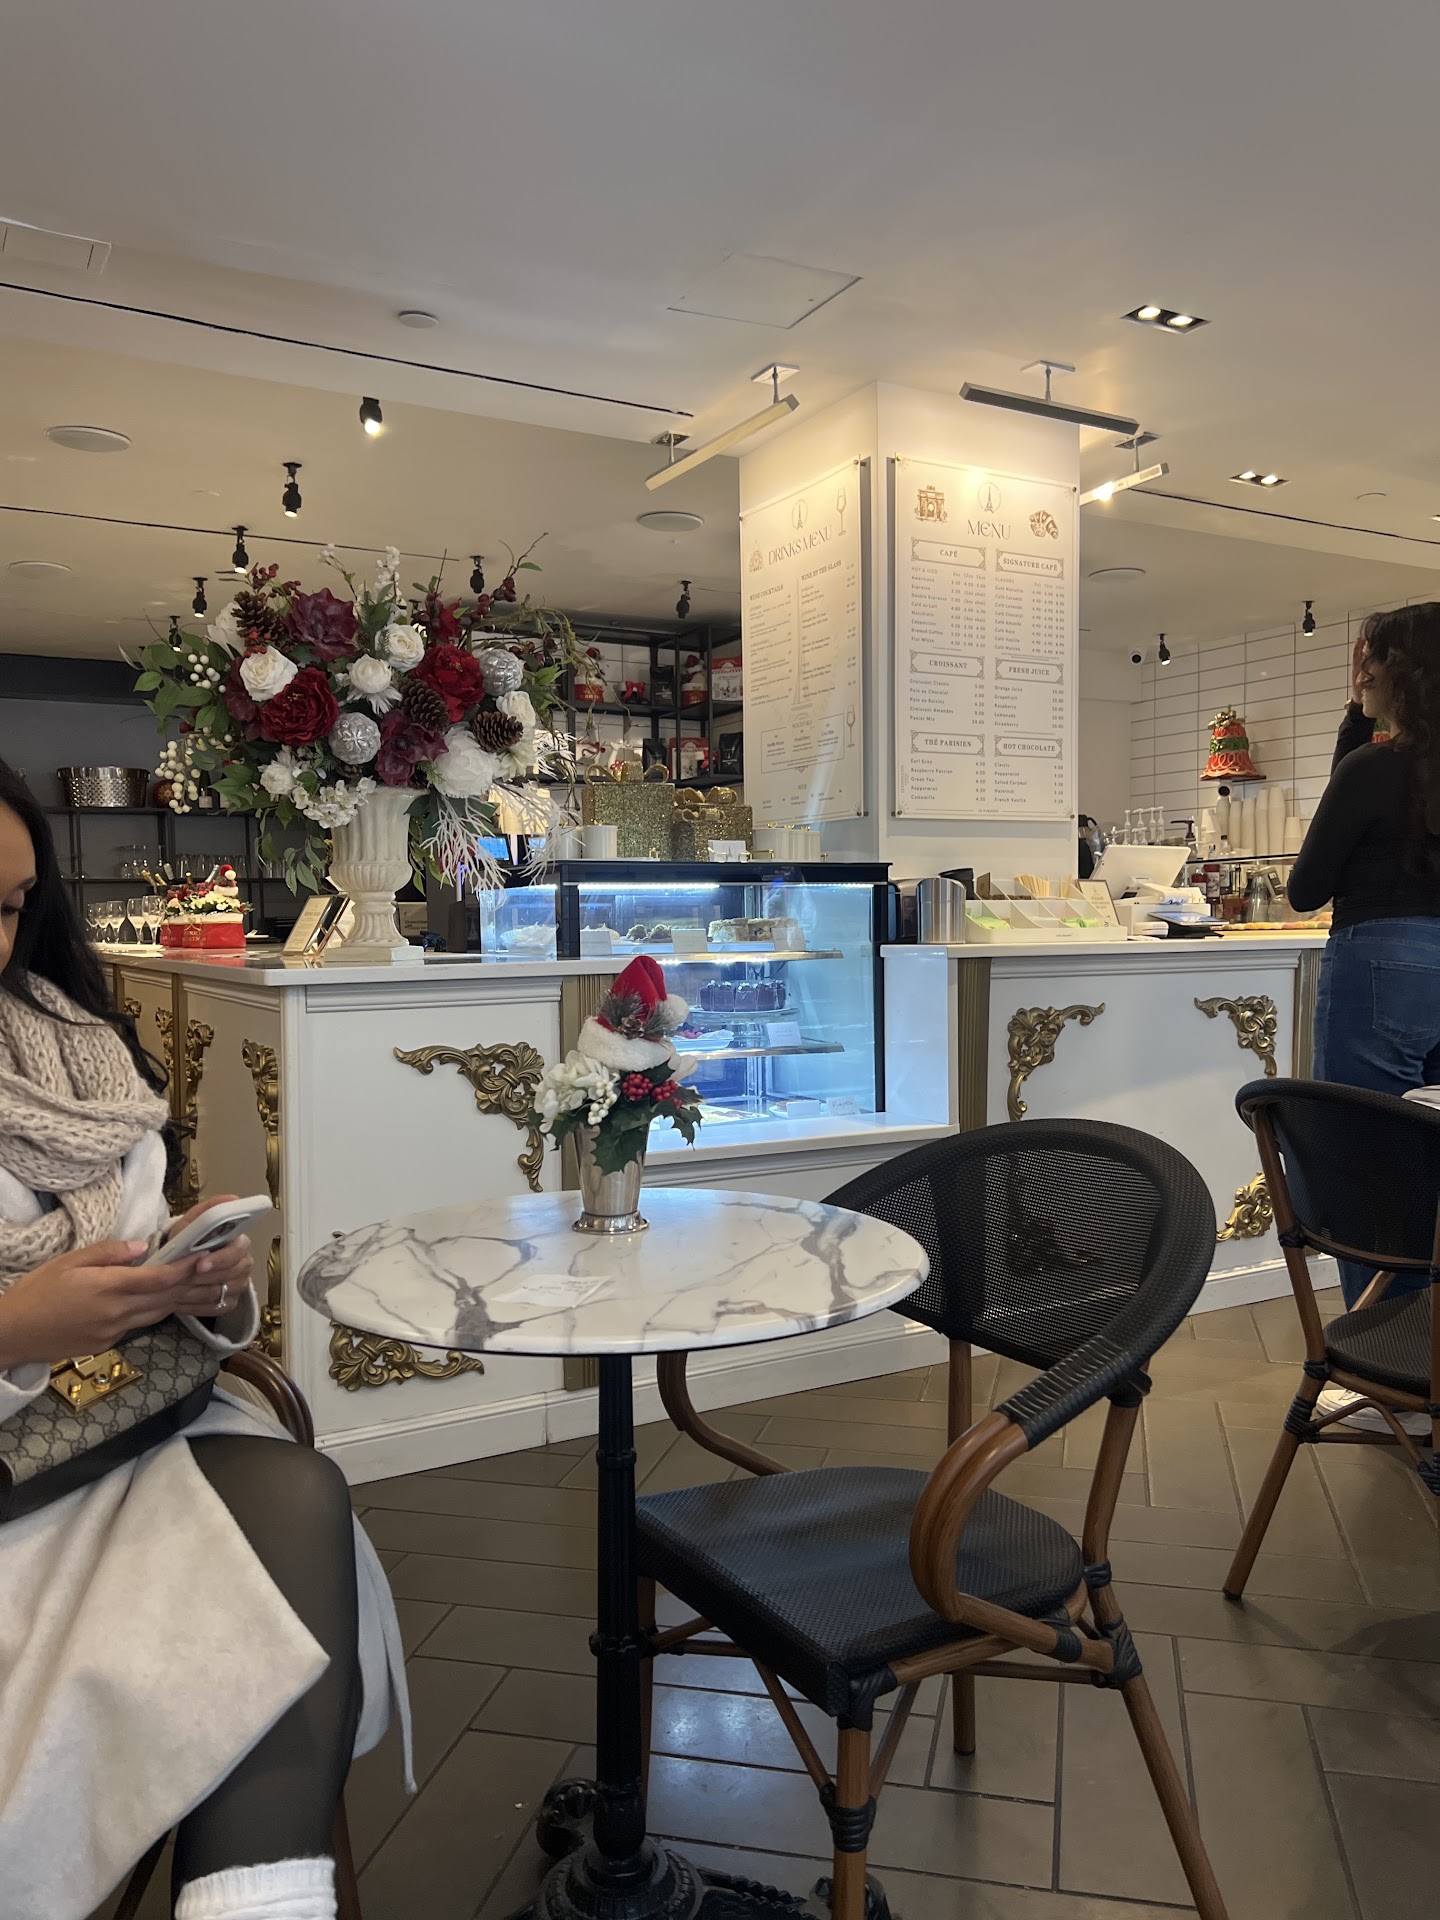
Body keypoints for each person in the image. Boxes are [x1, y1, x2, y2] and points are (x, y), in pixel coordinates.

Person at [0, 764, 409, 1920]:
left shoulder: (62, 1039)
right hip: (27, 1491)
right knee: (277, 1554)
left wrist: (195, 1279)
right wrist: (18, 1327)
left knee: (297, 1500)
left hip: (120, 1420)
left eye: (12, 906)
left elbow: (132, 1241)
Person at [1288, 605, 1440, 1346]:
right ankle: (1427, 1363)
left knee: (1369, 1161)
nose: (1363, 672)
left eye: (1372, 659)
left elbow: (1306, 889)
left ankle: (1382, 1359)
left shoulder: (1373, 768)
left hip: (1384, 960)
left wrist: (1354, 726)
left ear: (1401, 673)